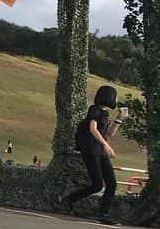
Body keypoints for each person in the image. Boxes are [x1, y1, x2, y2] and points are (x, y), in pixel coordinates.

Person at [59, 85, 124, 226]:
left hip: (100, 152)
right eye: (115, 96)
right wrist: (106, 145)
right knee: (98, 185)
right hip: (90, 151)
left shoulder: (105, 114)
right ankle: (69, 201)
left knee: (111, 184)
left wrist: (119, 119)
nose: (116, 99)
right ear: (108, 97)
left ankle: (102, 213)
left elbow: (109, 134)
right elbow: (92, 129)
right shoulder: (94, 110)